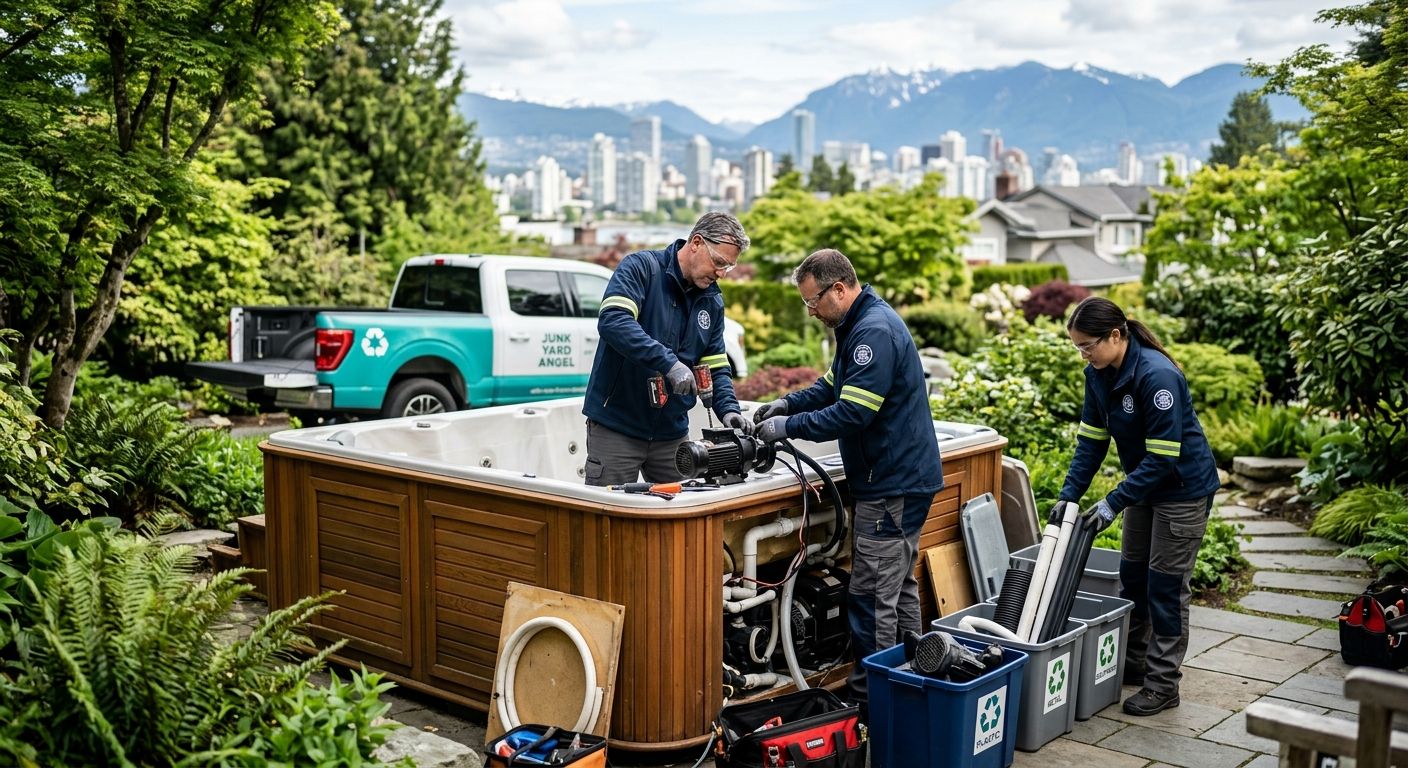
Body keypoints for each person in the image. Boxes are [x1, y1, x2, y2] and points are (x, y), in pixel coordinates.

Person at [752, 248, 942, 712]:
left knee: (872, 599)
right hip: (903, 480)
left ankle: (872, 710)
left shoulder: (872, 332)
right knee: (897, 592)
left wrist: (787, 429)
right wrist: (788, 404)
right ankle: (913, 685)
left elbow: (854, 411)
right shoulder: (859, 324)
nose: (812, 311)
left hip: (892, 485)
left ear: (840, 288)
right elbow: (832, 387)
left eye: (814, 301)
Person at [1058, 296, 1221, 716]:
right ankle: (1134, 665)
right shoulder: (1097, 375)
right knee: (1132, 577)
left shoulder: (1157, 376)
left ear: (1115, 335)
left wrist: (1113, 502)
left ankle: (1163, 683)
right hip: (1146, 488)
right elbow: (1090, 444)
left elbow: (1164, 459)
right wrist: (1068, 495)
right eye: (1077, 348)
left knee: (1166, 588)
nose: (1084, 354)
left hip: (1181, 491)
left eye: (1088, 345)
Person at [582, 212, 752, 486]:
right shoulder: (641, 269)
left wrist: (729, 410)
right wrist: (669, 363)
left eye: (728, 267)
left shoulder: (712, 302)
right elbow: (614, 321)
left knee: (682, 520)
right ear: (696, 242)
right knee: (608, 522)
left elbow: (716, 367)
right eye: (719, 262)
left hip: (672, 435)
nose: (722, 274)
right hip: (617, 428)